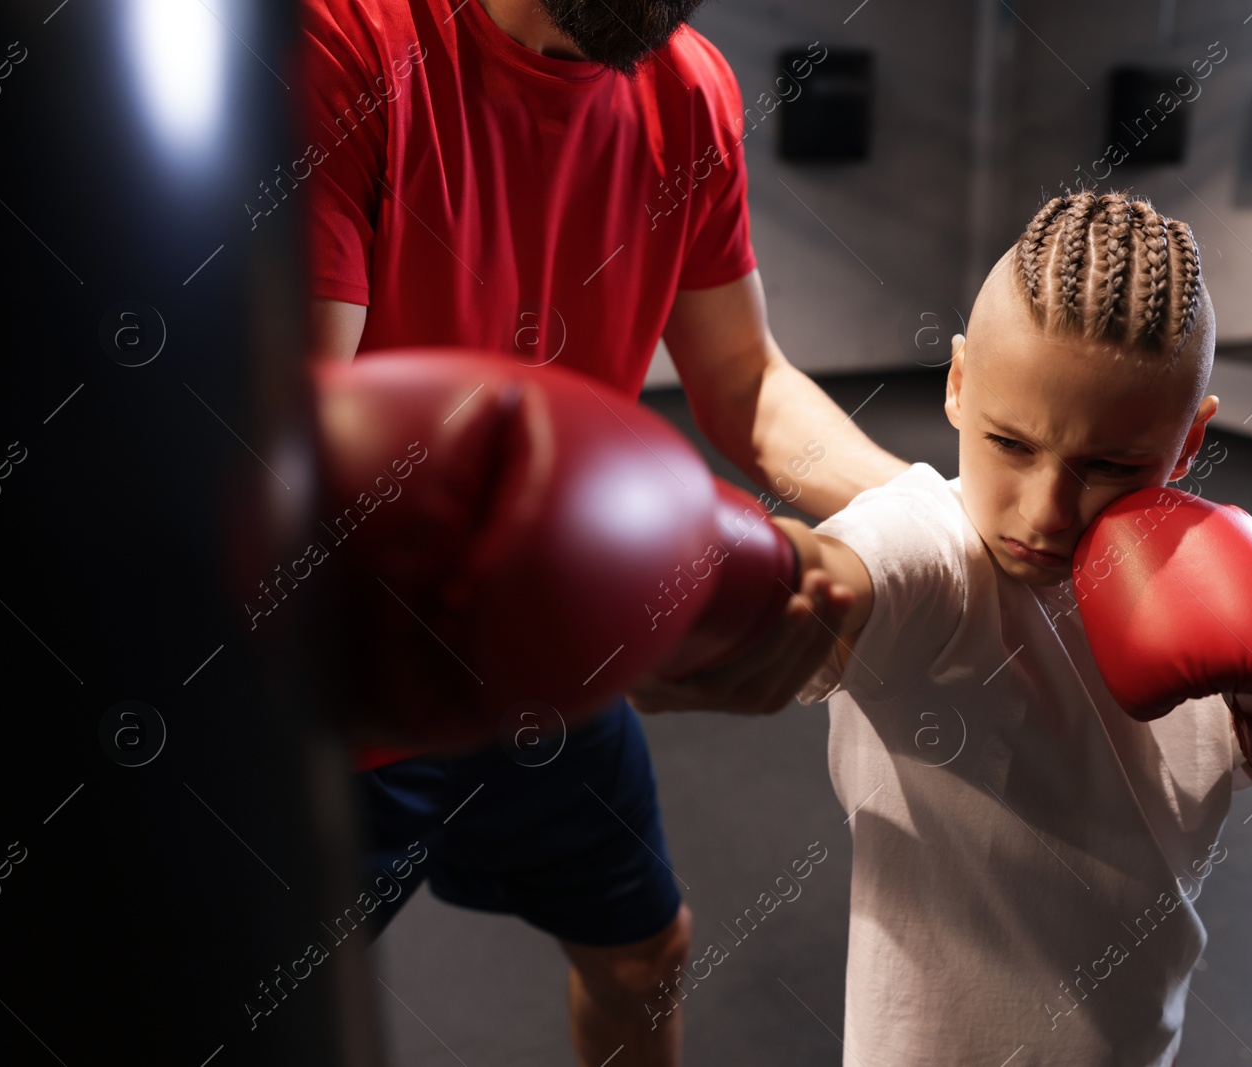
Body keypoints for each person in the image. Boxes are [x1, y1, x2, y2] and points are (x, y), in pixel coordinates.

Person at [296, 1, 898, 1064]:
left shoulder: (688, 89)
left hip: (544, 662)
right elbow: (302, 447)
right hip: (340, 690)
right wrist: (646, 573)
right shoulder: (343, 40)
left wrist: (929, 519)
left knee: (642, 954)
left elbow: (744, 377)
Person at [769, 191, 1252, 1065]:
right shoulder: (932, 550)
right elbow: (827, 585)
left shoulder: (1207, 585)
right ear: (959, 383)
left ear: (1189, 441)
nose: (1045, 512)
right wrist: (728, 581)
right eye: (1010, 444)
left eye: (1109, 467)